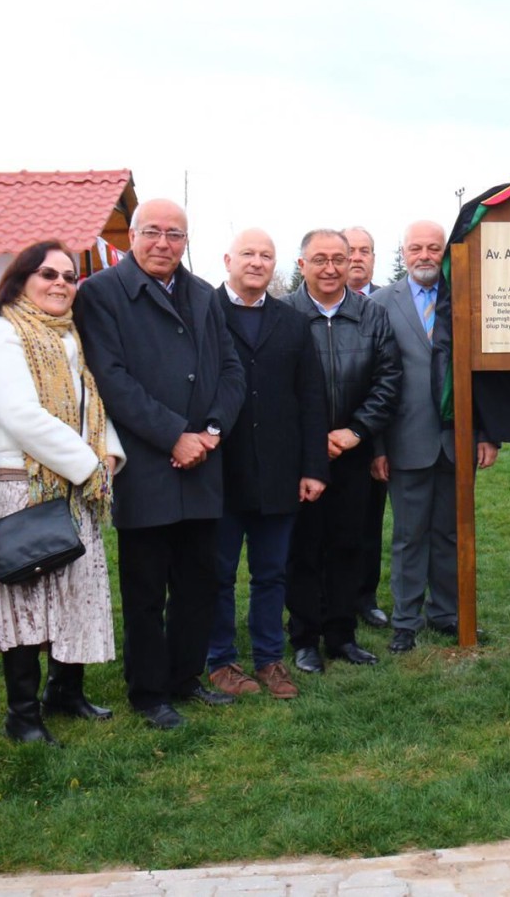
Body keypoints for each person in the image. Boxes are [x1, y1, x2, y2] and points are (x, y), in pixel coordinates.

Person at [75, 198, 246, 730]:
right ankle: (149, 692)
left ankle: (185, 677)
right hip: (147, 466)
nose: (163, 243)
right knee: (147, 588)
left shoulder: (202, 295)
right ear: (131, 236)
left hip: (203, 463)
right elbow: (112, 380)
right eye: (153, 232)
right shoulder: (102, 294)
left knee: (200, 580)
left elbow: (232, 369)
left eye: (175, 235)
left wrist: (211, 432)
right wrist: (174, 435)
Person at [0, 241, 125, 743]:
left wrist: (110, 454)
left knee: (74, 591)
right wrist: (88, 465)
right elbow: (22, 416)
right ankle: (22, 715)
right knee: (27, 597)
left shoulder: (69, 337)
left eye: (68, 276)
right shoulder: (2, 335)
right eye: (47, 273)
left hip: (72, 484)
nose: (60, 283)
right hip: (20, 484)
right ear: (20, 280)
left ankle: (65, 691)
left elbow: (90, 406)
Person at [206, 229, 328, 699]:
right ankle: (219, 661)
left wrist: (314, 467)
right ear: (227, 259)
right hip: (219, 472)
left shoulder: (292, 322)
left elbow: (312, 398)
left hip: (279, 473)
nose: (257, 262)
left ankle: (269, 660)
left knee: (271, 573)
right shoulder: (204, 314)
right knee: (217, 573)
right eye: (248, 254)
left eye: (266, 255)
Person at [372, 221, 497, 654]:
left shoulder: (468, 295)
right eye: (415, 248)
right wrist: (377, 447)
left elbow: (485, 372)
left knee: (451, 533)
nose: (425, 255)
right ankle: (406, 619)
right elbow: (374, 381)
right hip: (404, 441)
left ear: (446, 252)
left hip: (459, 438)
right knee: (409, 535)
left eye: (433, 248)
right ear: (403, 253)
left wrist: (487, 434)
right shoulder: (380, 303)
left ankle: (447, 613)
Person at [284, 229, 401, 670]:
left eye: (338, 258)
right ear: (302, 265)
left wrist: (356, 431)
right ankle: (304, 638)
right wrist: (311, 440)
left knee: (348, 544)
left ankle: (341, 635)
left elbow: (389, 381)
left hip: (352, 452)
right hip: (301, 456)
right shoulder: (284, 315)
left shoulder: (371, 316)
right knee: (304, 546)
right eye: (319, 259)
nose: (330, 268)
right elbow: (275, 388)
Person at [345, 225, 392, 630]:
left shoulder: (387, 304)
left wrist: (378, 442)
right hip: (327, 438)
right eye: (351, 250)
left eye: (366, 250)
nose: (358, 257)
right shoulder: (308, 307)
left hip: (374, 435)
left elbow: (388, 379)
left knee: (369, 522)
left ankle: (364, 595)